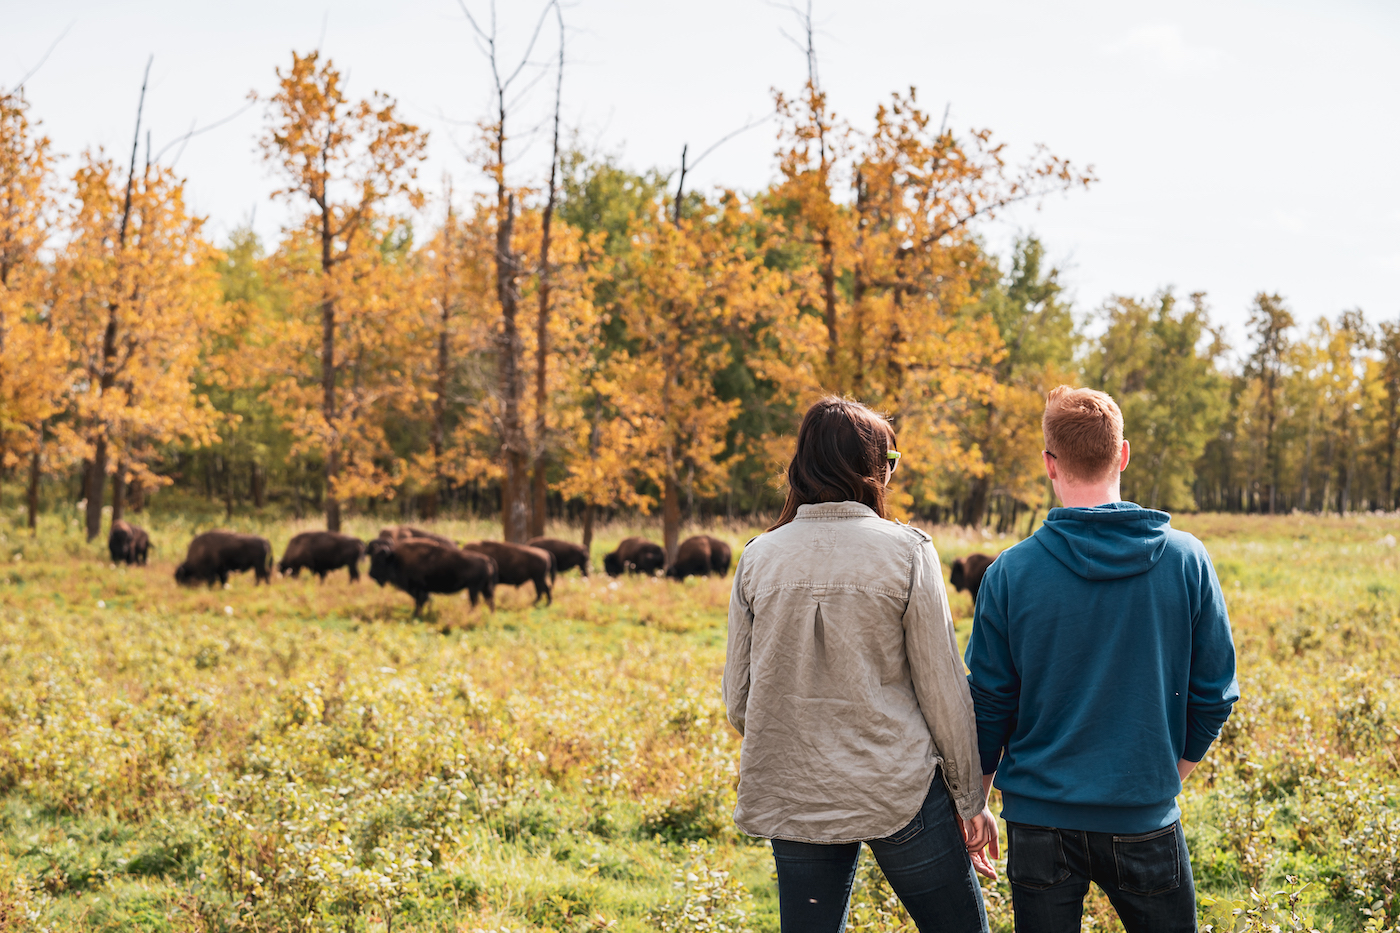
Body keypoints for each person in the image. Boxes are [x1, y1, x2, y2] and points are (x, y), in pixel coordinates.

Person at [965, 386, 1239, 933]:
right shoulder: (1188, 559)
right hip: (1144, 815)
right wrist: (1165, 776)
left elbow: (989, 704)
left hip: (1038, 821)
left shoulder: (1010, 573)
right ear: (1123, 454)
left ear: (1050, 464)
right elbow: (1215, 694)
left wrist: (976, 798)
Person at [724, 396, 998, 933]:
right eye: (890, 460)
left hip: (796, 793)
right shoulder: (908, 552)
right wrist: (971, 798)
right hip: (899, 788)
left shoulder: (758, 556)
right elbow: (944, 690)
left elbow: (740, 701)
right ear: (873, 468)